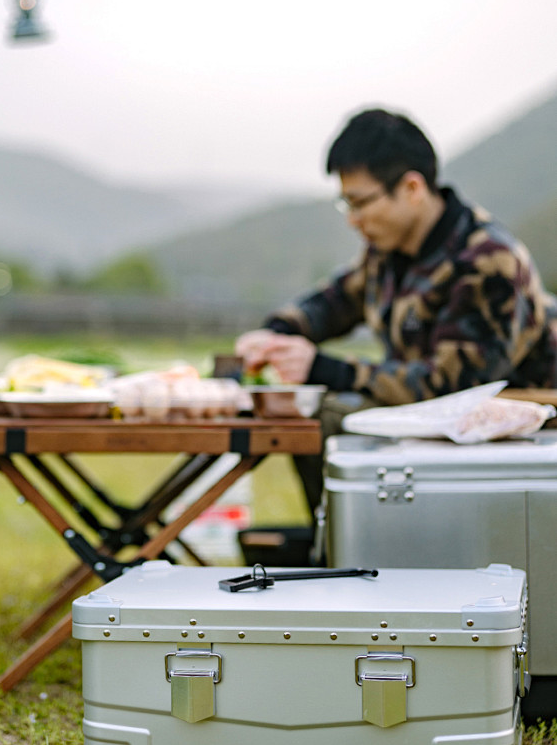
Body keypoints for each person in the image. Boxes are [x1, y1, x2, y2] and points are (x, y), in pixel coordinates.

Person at [236, 107, 557, 515]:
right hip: (431, 437)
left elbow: (452, 387)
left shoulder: (487, 262)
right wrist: (279, 332)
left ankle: (339, 549)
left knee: (329, 415)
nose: (353, 220)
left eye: (360, 202)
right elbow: (335, 300)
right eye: (345, 204)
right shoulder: (389, 251)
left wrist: (323, 368)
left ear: (411, 188)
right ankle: (333, 544)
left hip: (508, 452)